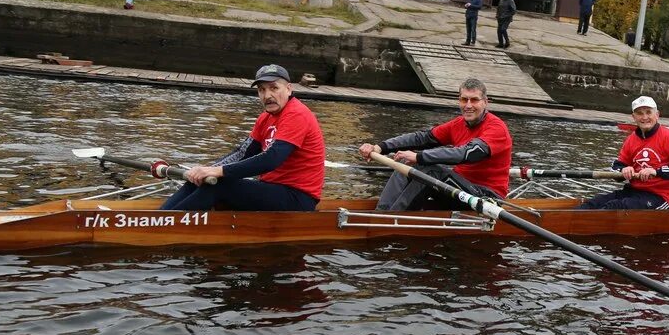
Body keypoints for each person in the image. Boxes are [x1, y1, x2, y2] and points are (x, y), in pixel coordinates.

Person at [161, 64, 325, 211]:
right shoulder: (265, 118)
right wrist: (205, 170)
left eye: (274, 88)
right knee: (200, 180)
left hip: (299, 198)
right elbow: (243, 153)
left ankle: (161, 227)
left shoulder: (297, 114)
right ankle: (157, 218)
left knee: (221, 186)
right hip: (272, 189)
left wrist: (218, 171)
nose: (267, 95)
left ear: (288, 89)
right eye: (262, 89)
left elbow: (272, 159)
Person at [358, 77, 512, 211]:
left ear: (485, 102)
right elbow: (422, 138)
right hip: (459, 190)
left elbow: (468, 153)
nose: (468, 105)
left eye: (474, 100)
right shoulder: (458, 124)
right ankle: (382, 212)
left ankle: (388, 220)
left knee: (430, 169)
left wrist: (420, 156)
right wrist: (380, 147)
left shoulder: (497, 128)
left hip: (487, 198)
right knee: (406, 163)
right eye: (464, 99)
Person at [579, 96, 669, 209]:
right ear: (634, 117)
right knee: (592, 203)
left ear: (657, 115)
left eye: (648, 112)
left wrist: (656, 172)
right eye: (640, 113)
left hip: (660, 197)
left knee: (614, 207)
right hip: (633, 192)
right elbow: (616, 167)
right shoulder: (631, 140)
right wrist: (623, 170)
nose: (645, 117)